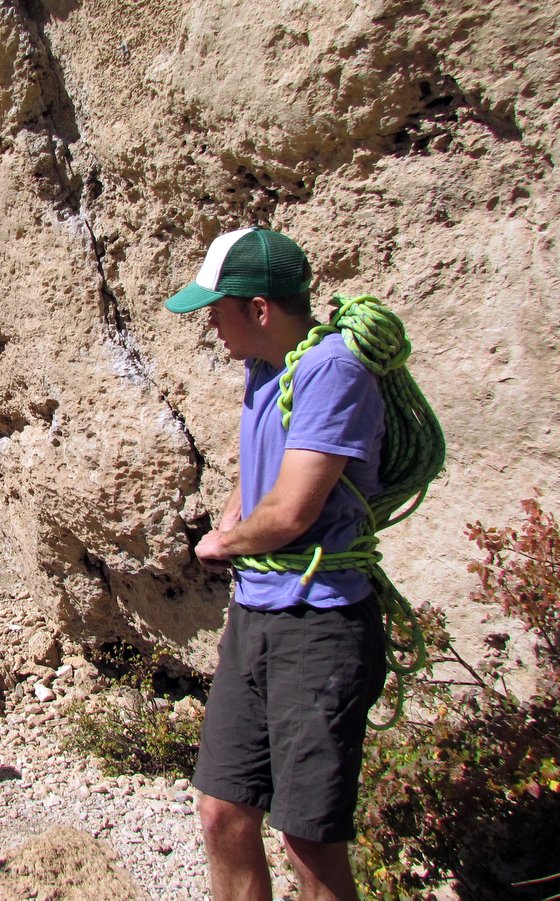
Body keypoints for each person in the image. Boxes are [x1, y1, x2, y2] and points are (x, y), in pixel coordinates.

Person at [164, 227, 387, 901]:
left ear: (259, 308)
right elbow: (263, 472)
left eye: (217, 307)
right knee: (222, 810)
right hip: (259, 613)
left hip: (319, 624)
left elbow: (292, 510)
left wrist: (219, 543)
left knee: (308, 837)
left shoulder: (334, 371)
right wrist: (233, 512)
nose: (209, 321)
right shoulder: (267, 370)